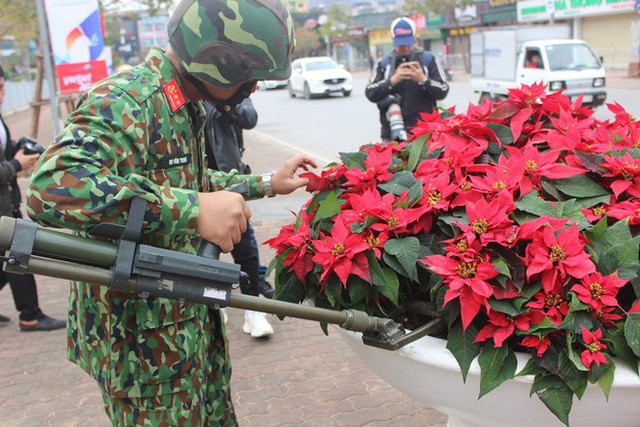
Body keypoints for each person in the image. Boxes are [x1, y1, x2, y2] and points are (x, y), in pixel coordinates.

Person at [26, 0, 315, 424]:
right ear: (217, 60)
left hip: (186, 329)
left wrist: (266, 183)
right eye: (250, 77)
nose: (253, 89)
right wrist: (192, 210)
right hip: (142, 354)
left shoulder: (182, 100)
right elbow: (51, 187)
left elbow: (186, 188)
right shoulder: (130, 99)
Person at [0, 64, 66, 332]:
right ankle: (30, 314)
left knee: (8, 260)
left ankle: (30, 312)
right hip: (3, 206)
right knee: (19, 254)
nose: (1, 93)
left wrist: (18, 149)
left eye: (2, 86)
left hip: (8, 201)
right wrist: (16, 165)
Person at [204, 97, 275, 338]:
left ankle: (253, 310)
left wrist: (224, 101)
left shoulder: (233, 87)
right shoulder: (184, 92)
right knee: (202, 252)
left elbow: (249, 117)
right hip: (194, 185)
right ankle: (213, 305)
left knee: (246, 249)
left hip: (230, 178)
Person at [366, 17, 449, 142]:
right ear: (393, 40)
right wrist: (392, 80)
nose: (404, 48)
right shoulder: (384, 64)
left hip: (426, 133)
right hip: (392, 133)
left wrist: (423, 79)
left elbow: (443, 90)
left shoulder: (428, 60)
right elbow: (370, 93)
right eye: (400, 44)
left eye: (407, 43)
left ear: (414, 39)